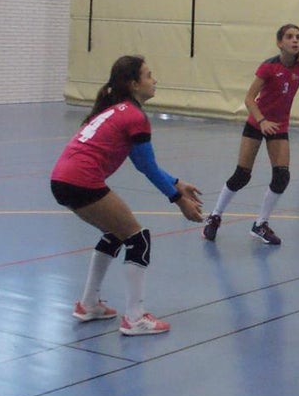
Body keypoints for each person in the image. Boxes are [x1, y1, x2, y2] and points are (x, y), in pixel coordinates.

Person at [50, 55, 204, 335]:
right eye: (149, 75)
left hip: (62, 179)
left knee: (115, 233)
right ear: (134, 84)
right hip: (82, 180)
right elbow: (146, 167)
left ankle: (88, 304)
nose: (154, 80)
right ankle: (135, 318)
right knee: (138, 238)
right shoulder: (134, 116)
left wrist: (177, 183)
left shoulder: (117, 111)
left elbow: (143, 162)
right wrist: (179, 200)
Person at [202, 24, 299, 246]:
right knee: (242, 175)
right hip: (257, 123)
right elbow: (249, 99)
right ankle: (215, 216)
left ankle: (260, 224)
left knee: (282, 176)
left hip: (279, 127)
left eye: (298, 37)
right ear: (279, 43)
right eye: (289, 37)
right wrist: (262, 121)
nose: (295, 40)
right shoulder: (268, 67)